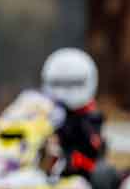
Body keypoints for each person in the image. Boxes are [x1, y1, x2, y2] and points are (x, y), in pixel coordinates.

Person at [39, 47, 106, 177]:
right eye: (59, 83)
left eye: (72, 83)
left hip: (74, 171)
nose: (65, 89)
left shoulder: (89, 118)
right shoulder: (46, 112)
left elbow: (92, 154)